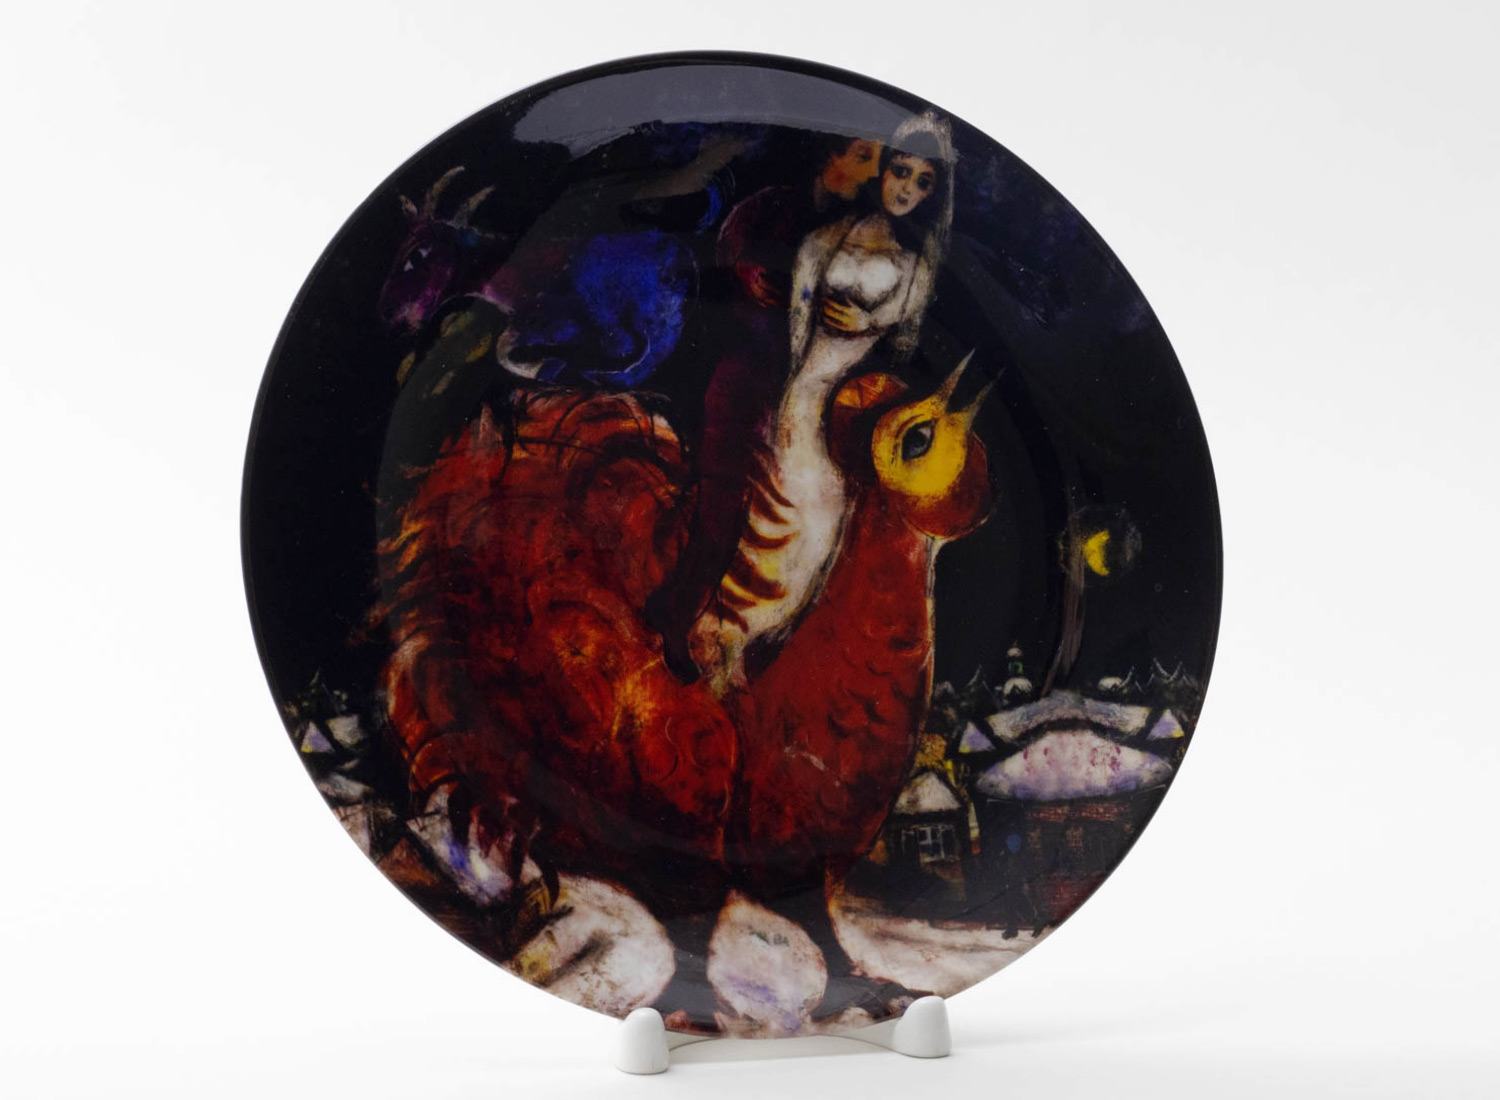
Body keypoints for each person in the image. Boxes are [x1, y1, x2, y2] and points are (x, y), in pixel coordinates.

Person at [689, 111, 957, 688]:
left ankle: (757, 636)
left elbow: (902, 332)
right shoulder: (826, 238)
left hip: (851, 400)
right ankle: (725, 630)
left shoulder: (915, 266)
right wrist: (797, 382)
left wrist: (867, 322)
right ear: (883, 172)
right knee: (778, 508)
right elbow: (799, 315)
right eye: (900, 172)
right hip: (805, 391)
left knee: (820, 519)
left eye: (922, 182)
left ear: (932, 196)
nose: (905, 188)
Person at [651, 133, 884, 676]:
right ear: (830, 155)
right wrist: (747, 275)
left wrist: (862, 320)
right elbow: (721, 265)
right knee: (724, 513)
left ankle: (765, 645)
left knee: (808, 532)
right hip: (746, 385)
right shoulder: (770, 209)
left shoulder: (859, 234)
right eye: (863, 156)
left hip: (810, 402)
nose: (875, 172)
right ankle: (676, 619)